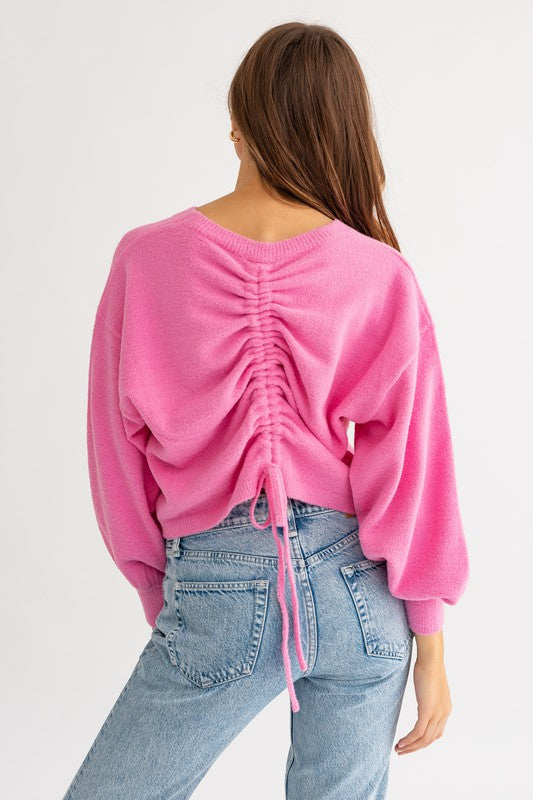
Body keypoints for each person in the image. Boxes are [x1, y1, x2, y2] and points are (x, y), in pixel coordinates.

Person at [62, 21, 470, 800]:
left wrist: (161, 588)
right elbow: (414, 462)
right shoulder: (378, 272)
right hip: (361, 595)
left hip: (218, 575)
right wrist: (431, 646)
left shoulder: (146, 259)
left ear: (237, 123)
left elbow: (115, 448)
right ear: (342, 132)